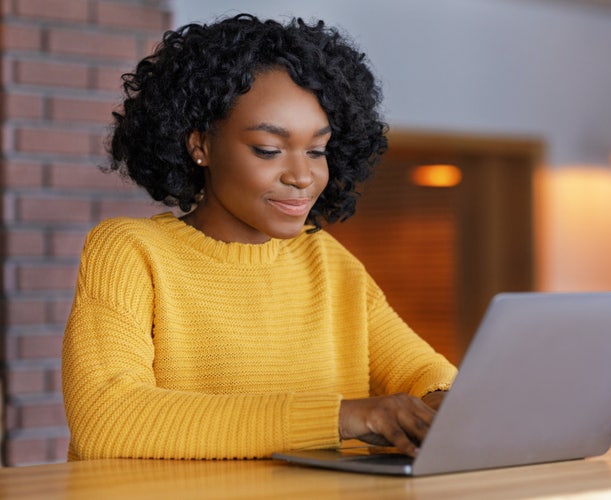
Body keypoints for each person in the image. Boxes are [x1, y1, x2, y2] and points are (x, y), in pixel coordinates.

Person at [62, 13, 457, 461]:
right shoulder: (130, 252)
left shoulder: (328, 261)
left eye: (317, 150)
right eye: (268, 150)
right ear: (200, 146)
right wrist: (344, 417)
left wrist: (443, 401)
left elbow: (425, 371)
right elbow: (108, 418)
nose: (302, 176)